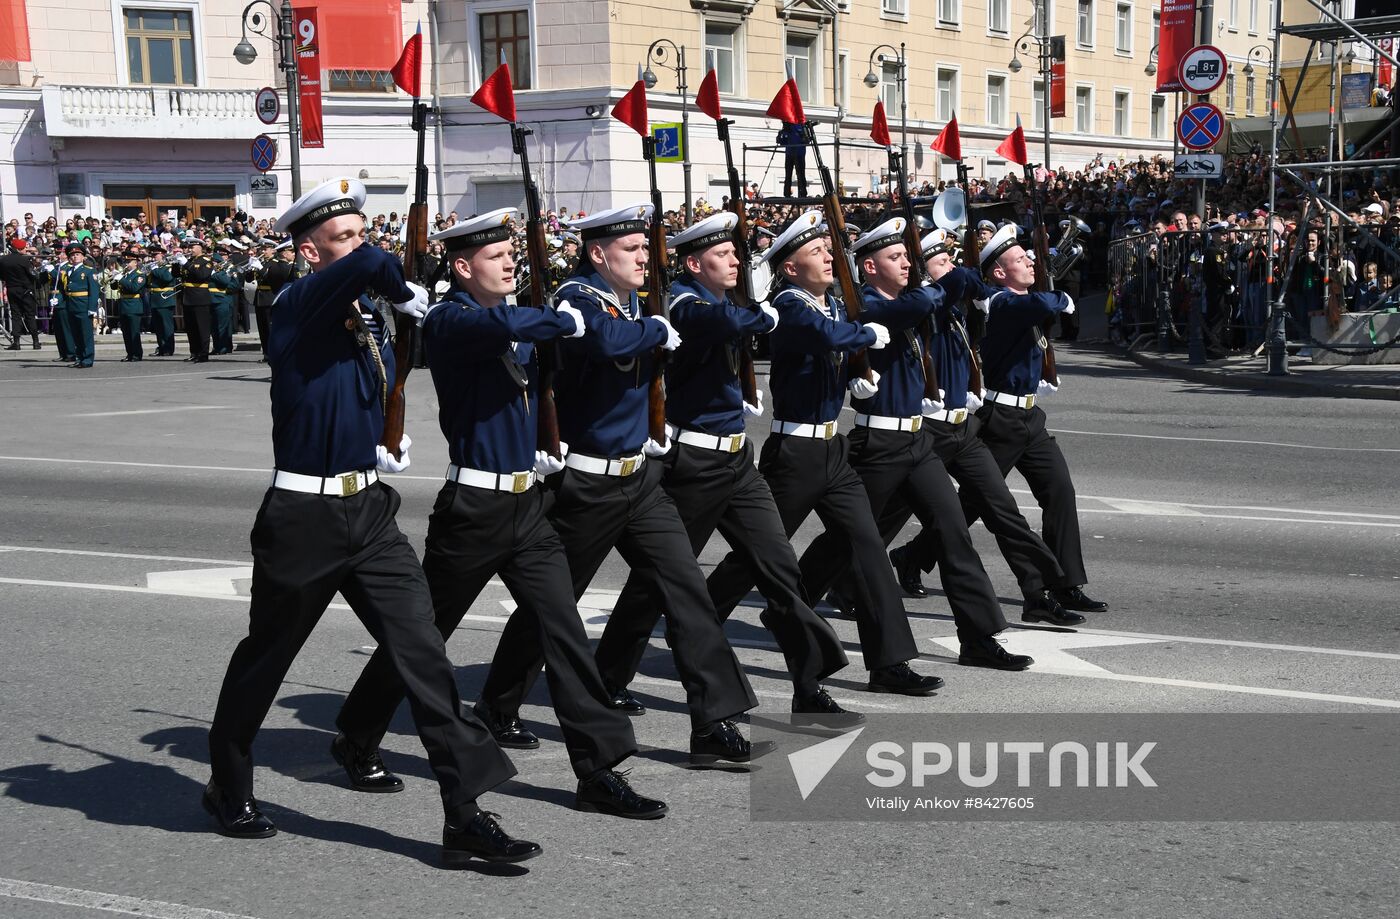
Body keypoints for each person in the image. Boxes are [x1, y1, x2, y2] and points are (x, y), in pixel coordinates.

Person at [204, 178, 539, 866]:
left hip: (370, 511)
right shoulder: (297, 300)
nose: (359, 244)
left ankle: (464, 811)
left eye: (363, 230)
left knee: (424, 654)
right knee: (267, 659)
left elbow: (365, 377)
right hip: (303, 517)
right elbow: (368, 266)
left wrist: (379, 438)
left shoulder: (365, 313)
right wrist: (393, 269)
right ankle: (228, 779)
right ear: (309, 250)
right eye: (345, 234)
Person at [334, 208, 666, 820]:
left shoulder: (516, 323)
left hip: (530, 505)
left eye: (515, 253)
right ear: (462, 268)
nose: (511, 261)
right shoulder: (450, 320)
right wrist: (560, 318)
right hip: (474, 510)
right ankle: (357, 731)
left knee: (563, 631)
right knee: (425, 636)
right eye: (496, 256)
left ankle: (598, 768)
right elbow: (510, 327)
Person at [475, 203, 765, 765]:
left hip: (643, 479)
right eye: (630, 249)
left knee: (687, 594)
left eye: (644, 248)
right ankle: (498, 703)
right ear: (597, 254)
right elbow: (607, 342)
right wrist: (655, 327)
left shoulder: (637, 300)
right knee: (555, 605)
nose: (643, 258)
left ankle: (713, 722)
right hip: (588, 484)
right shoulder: (576, 298)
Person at [592, 211, 856, 723]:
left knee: (781, 571)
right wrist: (766, 313)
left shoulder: (722, 300)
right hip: (694, 463)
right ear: (694, 263)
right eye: (724, 255)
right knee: (656, 580)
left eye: (737, 253)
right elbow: (726, 323)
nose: (737, 260)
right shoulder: (687, 306)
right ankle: (608, 673)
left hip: (738, 461)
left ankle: (808, 683)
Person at [703, 211, 945, 697]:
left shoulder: (831, 304)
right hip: (794, 454)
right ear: (790, 267)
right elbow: (822, 336)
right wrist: (863, 338)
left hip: (833, 449)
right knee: (757, 559)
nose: (830, 257)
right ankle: (700, 621)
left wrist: (855, 376)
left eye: (828, 250)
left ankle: (889, 662)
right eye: (817, 252)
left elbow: (833, 343)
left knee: (869, 548)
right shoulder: (788, 304)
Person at [793, 218, 1036, 671]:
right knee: (848, 541)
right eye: (896, 257)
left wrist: (945, 275)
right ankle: (793, 604)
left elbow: (957, 283)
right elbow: (929, 299)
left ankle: (979, 637)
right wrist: (937, 282)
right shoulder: (866, 303)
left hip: (918, 439)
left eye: (908, 256)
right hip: (878, 443)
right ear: (868, 267)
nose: (907, 263)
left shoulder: (910, 299)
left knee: (953, 533)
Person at [876, 228, 1084, 631]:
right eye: (944, 262)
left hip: (981, 424)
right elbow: (968, 286)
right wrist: (971, 274)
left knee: (1010, 506)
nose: (955, 269)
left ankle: (1049, 589)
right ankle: (853, 573)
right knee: (902, 510)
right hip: (950, 427)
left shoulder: (957, 309)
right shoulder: (927, 305)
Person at [964, 224, 1106, 619]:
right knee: (979, 507)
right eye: (1019, 259)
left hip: (1029, 417)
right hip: (1000, 418)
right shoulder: (997, 302)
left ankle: (1068, 583)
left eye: (1029, 257)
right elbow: (1038, 307)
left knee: (1060, 491)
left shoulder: (1024, 298)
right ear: (997, 272)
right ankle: (914, 556)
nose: (1028, 261)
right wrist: (1058, 296)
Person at [56, 243, 99, 368]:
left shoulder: (88, 271)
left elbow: (94, 291)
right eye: (73, 255)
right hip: (71, 305)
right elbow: (66, 289)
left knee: (85, 334)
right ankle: (80, 357)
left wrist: (92, 308)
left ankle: (87, 359)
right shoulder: (68, 271)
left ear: (83, 257)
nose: (75, 257)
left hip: (83, 305)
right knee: (76, 334)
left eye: (78, 254)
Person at [0, 237, 41, 350]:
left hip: (12, 289)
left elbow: (1, 276)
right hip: (25, 290)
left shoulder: (3, 260)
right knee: (29, 315)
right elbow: (33, 275)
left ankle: (16, 342)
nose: (25, 250)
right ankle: (35, 342)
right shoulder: (24, 260)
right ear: (18, 249)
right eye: (23, 248)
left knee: (16, 315)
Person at [177, 239, 214, 362]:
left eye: (193, 247)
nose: (190, 249)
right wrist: (176, 263)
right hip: (188, 297)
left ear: (200, 248)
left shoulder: (206, 261)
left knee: (202, 328)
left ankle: (203, 354)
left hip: (200, 298)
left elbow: (202, 275)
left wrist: (186, 264)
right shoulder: (190, 261)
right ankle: (194, 352)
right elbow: (175, 275)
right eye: (189, 247)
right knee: (191, 328)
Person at [146, 245, 179, 357]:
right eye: (153, 255)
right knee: (158, 327)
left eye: (156, 255)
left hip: (165, 299)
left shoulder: (168, 267)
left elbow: (167, 278)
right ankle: (161, 347)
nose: (154, 257)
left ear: (162, 255)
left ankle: (168, 349)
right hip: (155, 299)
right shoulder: (154, 267)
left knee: (166, 326)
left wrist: (154, 270)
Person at [115, 248, 146, 362]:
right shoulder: (125, 274)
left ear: (136, 262)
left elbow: (134, 288)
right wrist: (115, 279)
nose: (126, 264)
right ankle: (130, 353)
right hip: (123, 306)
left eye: (129, 262)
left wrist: (121, 279)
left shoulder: (140, 275)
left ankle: (137, 354)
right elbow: (115, 287)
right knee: (126, 333)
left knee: (134, 332)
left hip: (133, 306)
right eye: (125, 262)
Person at [779, 122, 808, 197]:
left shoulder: (801, 126)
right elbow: (782, 142)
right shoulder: (786, 128)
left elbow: (807, 140)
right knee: (788, 174)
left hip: (799, 153)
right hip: (790, 154)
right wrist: (780, 135)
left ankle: (802, 193)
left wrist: (803, 136)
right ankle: (787, 193)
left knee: (800, 174)